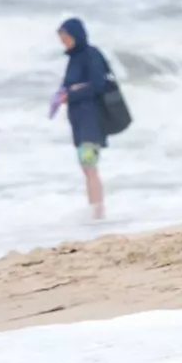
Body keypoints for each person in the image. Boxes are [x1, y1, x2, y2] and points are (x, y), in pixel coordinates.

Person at [57, 18, 109, 219]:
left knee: (89, 166)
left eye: (66, 37)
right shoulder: (73, 58)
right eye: (61, 38)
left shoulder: (91, 55)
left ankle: (98, 212)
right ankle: (95, 210)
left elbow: (98, 84)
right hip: (78, 121)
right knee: (86, 166)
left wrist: (73, 93)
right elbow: (69, 85)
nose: (64, 41)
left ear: (76, 35)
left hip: (91, 120)